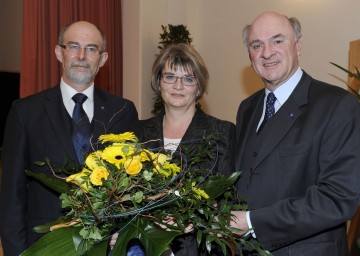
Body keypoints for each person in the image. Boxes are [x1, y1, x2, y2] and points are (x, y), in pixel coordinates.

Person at [0, 21, 138, 256]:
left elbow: (134, 189)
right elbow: (12, 196)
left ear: (103, 59)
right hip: (43, 246)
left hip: (107, 247)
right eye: (73, 46)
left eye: (91, 48)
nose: (82, 56)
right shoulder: (25, 112)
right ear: (58, 52)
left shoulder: (123, 111)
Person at [231, 11, 360, 255]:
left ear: (298, 45)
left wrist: (251, 222)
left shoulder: (337, 105)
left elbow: (338, 198)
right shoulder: (246, 108)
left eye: (277, 40)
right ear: (250, 55)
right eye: (256, 45)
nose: (267, 52)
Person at [135, 43, 236, 255]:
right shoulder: (139, 133)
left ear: (199, 87)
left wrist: (195, 217)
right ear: (159, 82)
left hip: (201, 249)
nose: (178, 86)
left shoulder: (222, 132)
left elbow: (230, 200)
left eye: (188, 79)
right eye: (170, 77)